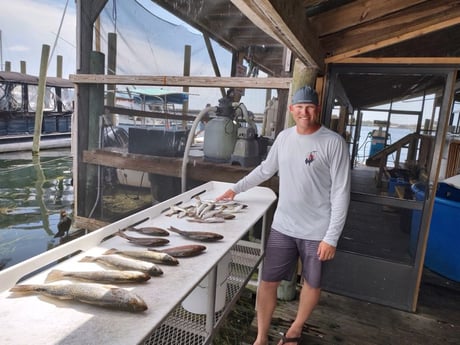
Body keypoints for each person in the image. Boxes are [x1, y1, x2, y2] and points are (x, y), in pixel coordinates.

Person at [216, 85, 351, 345]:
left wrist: (331, 238)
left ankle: (295, 329)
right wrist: (235, 189)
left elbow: (341, 192)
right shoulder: (284, 138)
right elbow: (266, 169)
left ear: (318, 110)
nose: (304, 112)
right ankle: (261, 336)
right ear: (291, 110)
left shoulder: (333, 143)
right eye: (299, 107)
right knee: (267, 281)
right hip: (283, 226)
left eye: (309, 107)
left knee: (312, 283)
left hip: (317, 231)